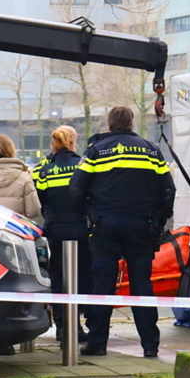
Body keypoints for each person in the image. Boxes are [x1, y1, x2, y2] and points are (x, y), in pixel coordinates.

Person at [71, 106, 175, 358]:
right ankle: (150, 345)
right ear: (131, 124)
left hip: (105, 225)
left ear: (110, 124)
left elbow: (75, 188)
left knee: (102, 285)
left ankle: (97, 342)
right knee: (142, 285)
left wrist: (90, 213)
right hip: (141, 226)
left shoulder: (96, 151)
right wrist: (158, 221)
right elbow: (168, 190)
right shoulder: (151, 150)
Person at [33, 125, 91, 343]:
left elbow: (41, 201)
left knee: (58, 278)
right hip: (81, 229)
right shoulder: (82, 166)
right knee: (84, 277)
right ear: (73, 142)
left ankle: (62, 327)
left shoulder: (42, 169)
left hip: (55, 230)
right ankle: (85, 326)